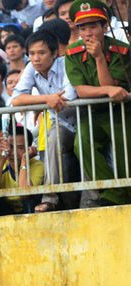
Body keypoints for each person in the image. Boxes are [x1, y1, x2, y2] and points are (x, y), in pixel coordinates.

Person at [64, 0, 131, 206]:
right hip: (91, 113)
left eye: (93, 26)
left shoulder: (122, 50)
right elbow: (81, 91)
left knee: (124, 152)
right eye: (82, 28)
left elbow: (114, 88)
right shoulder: (72, 52)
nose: (88, 33)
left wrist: (100, 58)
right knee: (82, 144)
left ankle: (124, 194)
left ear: (105, 26)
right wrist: (108, 90)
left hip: (120, 112)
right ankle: (113, 194)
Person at [12, 30, 79, 212]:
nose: (36, 58)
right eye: (32, 54)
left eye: (41, 53)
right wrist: (47, 99)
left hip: (83, 119)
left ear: (55, 53)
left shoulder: (66, 63)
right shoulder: (30, 69)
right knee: (52, 139)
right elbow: (16, 99)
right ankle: (50, 198)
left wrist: (49, 100)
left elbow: (68, 97)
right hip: (61, 122)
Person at [0, 125, 44, 217]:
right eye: (11, 147)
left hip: (27, 210)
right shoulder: (1, 161)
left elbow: (25, 193)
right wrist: (2, 159)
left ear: (29, 149)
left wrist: (24, 160)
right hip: (7, 210)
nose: (14, 153)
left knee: (30, 199)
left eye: (20, 148)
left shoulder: (38, 165)